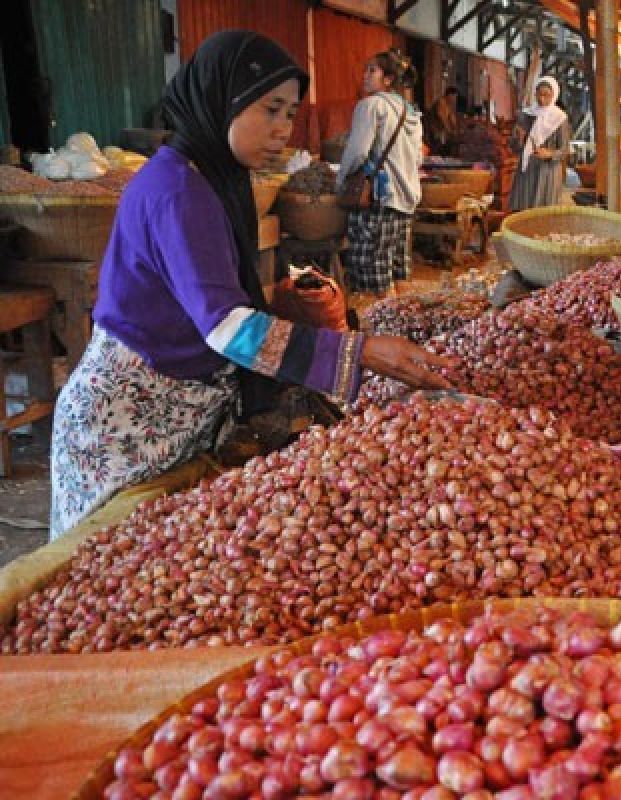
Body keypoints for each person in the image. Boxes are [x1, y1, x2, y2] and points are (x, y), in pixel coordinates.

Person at [49, 32, 452, 537]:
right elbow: (228, 328)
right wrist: (363, 352)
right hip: (126, 426)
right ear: (223, 102)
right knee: (100, 574)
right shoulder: (178, 191)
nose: (283, 129)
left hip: (171, 410)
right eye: (270, 110)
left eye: (290, 113)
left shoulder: (214, 176)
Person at [339, 51, 423, 298]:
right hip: (405, 200)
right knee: (398, 271)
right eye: (365, 69)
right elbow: (417, 158)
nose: (365, 76)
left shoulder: (371, 106)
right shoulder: (410, 112)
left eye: (371, 71)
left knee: (376, 276)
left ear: (388, 79)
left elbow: (357, 152)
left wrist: (342, 178)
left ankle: (383, 332)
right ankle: (404, 327)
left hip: (380, 200)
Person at [509, 76, 569, 211]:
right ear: (534, 93)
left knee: (544, 212)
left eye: (546, 95)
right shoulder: (526, 115)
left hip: (548, 172)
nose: (542, 99)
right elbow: (514, 147)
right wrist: (518, 139)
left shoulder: (560, 118)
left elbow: (565, 149)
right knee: (524, 211)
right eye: (539, 94)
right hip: (527, 169)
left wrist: (549, 153)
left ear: (554, 95)